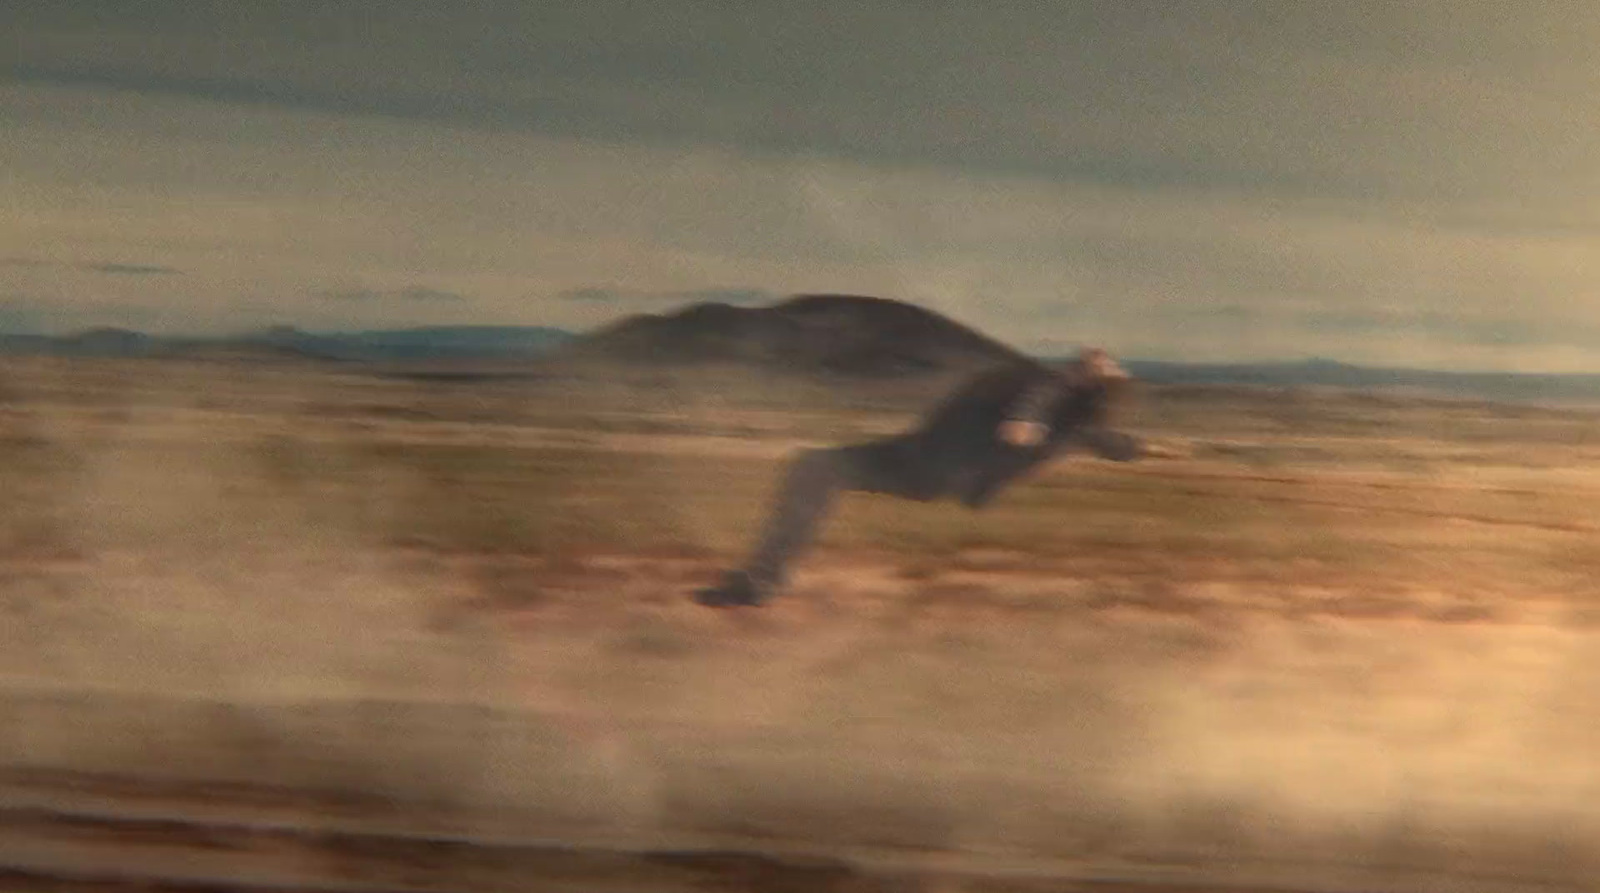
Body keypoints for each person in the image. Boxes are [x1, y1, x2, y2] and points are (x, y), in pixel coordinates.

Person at [695, 347, 1165, 607]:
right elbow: (1111, 443)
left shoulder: (1055, 396)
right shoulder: (1079, 427)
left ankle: (763, 581)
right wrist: (1146, 449)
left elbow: (1040, 398)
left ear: (1089, 384)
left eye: (1100, 365)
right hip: (936, 467)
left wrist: (1025, 418)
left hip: (929, 462)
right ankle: (763, 579)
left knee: (814, 468)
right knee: (817, 470)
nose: (1094, 357)